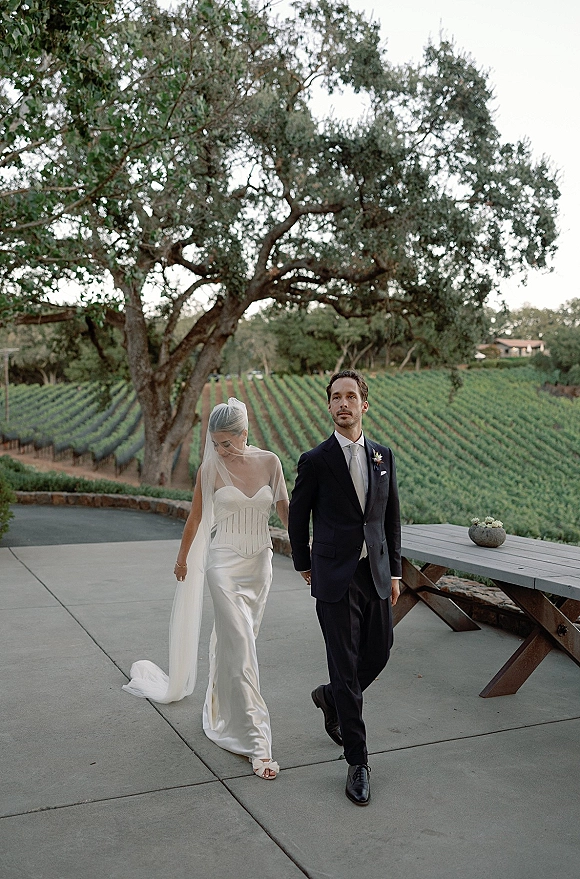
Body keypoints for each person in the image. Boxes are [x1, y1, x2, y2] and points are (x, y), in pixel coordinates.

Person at [123, 398, 289, 780]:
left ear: (245, 434)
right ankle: (257, 743)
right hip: (224, 566)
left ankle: (219, 708)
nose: (220, 450)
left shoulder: (270, 463)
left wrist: (305, 556)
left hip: (259, 567)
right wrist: (182, 559)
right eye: (215, 443)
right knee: (242, 645)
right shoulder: (210, 469)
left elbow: (285, 511)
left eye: (227, 443)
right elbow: (196, 518)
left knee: (236, 647)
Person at [287, 370, 401, 805]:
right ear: (329, 406)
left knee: (380, 651)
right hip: (333, 577)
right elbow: (298, 516)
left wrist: (393, 573)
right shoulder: (315, 460)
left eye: (350, 396)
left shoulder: (383, 455)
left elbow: (389, 518)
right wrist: (302, 563)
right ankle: (358, 760)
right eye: (335, 397)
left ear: (364, 405)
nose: (343, 404)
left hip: (373, 573)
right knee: (346, 664)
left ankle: (330, 697)